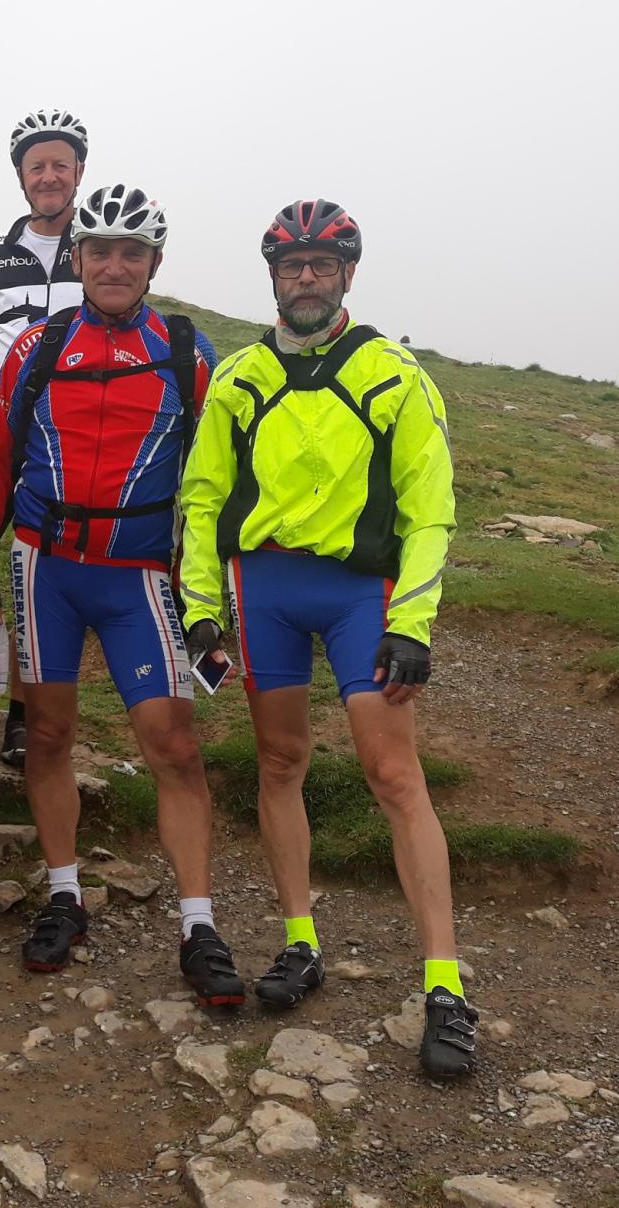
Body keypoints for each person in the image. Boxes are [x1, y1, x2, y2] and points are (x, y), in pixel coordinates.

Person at [178, 199, 473, 1077]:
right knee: (279, 765)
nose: (304, 278)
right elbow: (203, 500)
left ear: (348, 272)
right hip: (262, 588)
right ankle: (299, 938)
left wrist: (412, 624)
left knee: (392, 774)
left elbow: (431, 510)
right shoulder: (237, 377)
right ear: (271, 275)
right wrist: (201, 608)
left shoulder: (394, 375)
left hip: (360, 594)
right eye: (289, 264)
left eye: (320, 263)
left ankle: (446, 986)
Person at [0, 184, 239, 1002]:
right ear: (80, 259)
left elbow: (216, 483)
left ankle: (199, 924)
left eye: (132, 253)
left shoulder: (187, 351)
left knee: (174, 745)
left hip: (138, 576)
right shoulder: (37, 347)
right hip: (43, 566)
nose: (115, 266)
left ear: (154, 263)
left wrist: (209, 600)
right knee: (48, 736)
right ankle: (64, 896)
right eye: (100, 251)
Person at [0, 108, 89, 765]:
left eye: (62, 164)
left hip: (64, 437)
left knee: (41, 580)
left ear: (79, 172)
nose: (50, 176)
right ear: (22, 178)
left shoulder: (97, 251)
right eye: (38, 166)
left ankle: (22, 722)